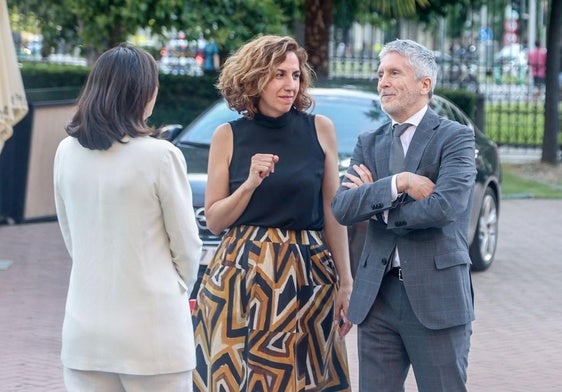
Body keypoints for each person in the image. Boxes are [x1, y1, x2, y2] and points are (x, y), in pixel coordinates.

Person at [191, 35, 353, 391]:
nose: (290, 84)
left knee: (308, 377)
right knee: (237, 380)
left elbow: (332, 209)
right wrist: (248, 184)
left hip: (308, 274)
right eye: (279, 74)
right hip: (241, 277)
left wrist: (346, 280)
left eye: (295, 75)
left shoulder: (320, 129)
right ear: (255, 78)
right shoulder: (228, 135)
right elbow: (216, 220)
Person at [53, 42, 202, 392]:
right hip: (154, 334)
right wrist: (175, 289)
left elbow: (71, 236)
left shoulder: (65, 152)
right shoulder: (161, 156)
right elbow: (188, 247)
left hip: (84, 333)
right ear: (143, 93)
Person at [331, 39, 476, 391]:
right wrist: (400, 182)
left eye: (395, 73)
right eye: (380, 73)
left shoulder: (455, 138)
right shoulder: (369, 141)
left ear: (425, 84)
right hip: (377, 299)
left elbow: (445, 206)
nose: (383, 81)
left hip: (436, 297)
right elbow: (343, 208)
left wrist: (377, 206)